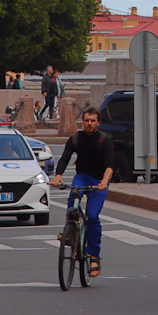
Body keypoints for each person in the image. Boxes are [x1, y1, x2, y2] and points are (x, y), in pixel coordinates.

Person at [50, 106, 115, 278]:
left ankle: (94, 256)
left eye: (93, 121)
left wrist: (104, 182)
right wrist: (58, 176)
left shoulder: (104, 141)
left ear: (98, 123)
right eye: (86, 120)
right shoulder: (76, 139)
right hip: (83, 176)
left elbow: (110, 166)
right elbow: (64, 158)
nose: (89, 124)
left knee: (92, 216)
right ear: (83, 122)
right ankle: (70, 232)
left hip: (99, 181)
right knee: (73, 195)